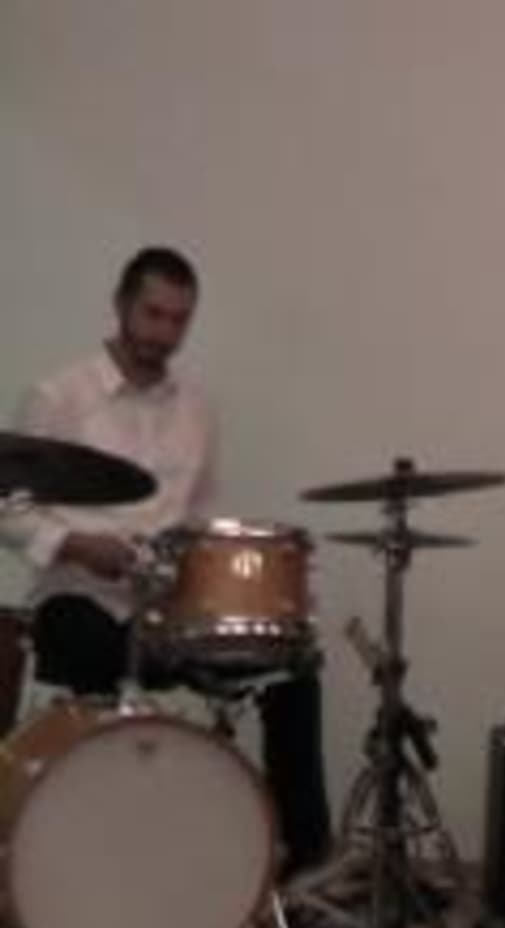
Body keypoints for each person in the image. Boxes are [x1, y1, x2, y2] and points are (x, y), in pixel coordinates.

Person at [0, 246, 333, 880]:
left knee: (292, 667)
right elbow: (6, 511)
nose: (164, 334)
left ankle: (298, 861)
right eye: (153, 315)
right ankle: (88, 854)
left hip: (166, 611)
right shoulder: (59, 396)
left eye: (179, 320)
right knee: (90, 647)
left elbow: (199, 516)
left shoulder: (197, 410)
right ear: (121, 306)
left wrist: (245, 587)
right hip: (78, 597)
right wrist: (77, 545)